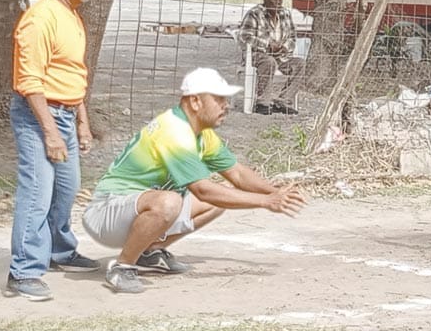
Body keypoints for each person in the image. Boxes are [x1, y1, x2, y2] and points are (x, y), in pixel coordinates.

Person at [82, 67, 308, 294]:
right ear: (195, 102)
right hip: (106, 212)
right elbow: (203, 190)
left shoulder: (201, 132)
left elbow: (237, 173)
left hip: (134, 209)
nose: (226, 105)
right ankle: (122, 266)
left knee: (218, 198)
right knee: (171, 202)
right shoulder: (174, 131)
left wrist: (275, 192)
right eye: (218, 99)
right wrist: (265, 201)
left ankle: (148, 251)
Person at [7, 0, 107, 301]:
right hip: (38, 116)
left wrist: (82, 122)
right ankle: (24, 270)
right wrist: (50, 132)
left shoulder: (71, 15)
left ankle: (58, 250)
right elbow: (30, 82)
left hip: (64, 114)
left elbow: (72, 75)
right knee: (38, 190)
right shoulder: (40, 19)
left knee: (67, 187)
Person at [237, 0, 305, 115]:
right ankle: (263, 102)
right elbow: (244, 37)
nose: (278, 1)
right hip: (258, 55)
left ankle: (283, 101)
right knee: (269, 61)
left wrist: (285, 47)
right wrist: (267, 45)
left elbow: (292, 37)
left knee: (300, 63)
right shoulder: (255, 14)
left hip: (281, 56)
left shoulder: (285, 14)